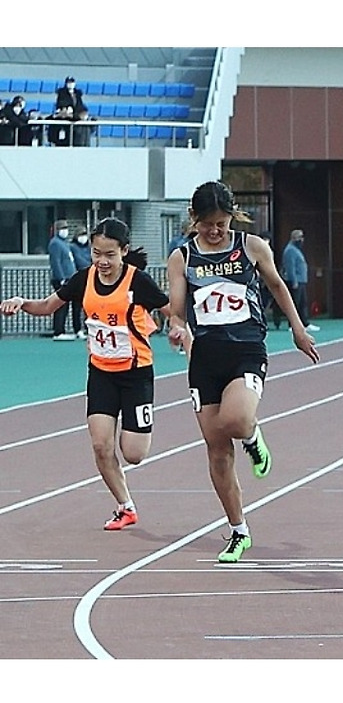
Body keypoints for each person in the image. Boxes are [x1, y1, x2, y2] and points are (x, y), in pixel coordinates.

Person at [165, 179, 320, 563]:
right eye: (207, 224)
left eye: (222, 223)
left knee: (235, 420)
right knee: (217, 451)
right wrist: (176, 327)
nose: (215, 231)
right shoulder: (182, 257)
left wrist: (298, 329)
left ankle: (252, 437)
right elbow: (177, 310)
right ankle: (238, 531)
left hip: (246, 350)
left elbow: (278, 287)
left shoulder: (251, 247)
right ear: (194, 218)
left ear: (232, 216)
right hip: (205, 359)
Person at [0, 217, 171, 531]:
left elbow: (171, 309)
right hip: (101, 372)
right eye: (96, 253)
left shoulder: (138, 281)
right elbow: (48, 306)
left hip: (136, 374)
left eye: (109, 255)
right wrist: (21, 302)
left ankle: (136, 431)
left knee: (134, 454)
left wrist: (181, 329)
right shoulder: (83, 279)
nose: (102, 261)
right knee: (101, 446)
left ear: (124, 251)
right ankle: (125, 506)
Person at [280, 228, 319, 333]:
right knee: (295, 304)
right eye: (300, 237)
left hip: (301, 280)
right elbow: (290, 267)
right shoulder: (290, 250)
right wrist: (294, 281)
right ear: (294, 238)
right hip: (296, 280)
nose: (302, 239)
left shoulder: (295, 250)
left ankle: (304, 323)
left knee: (302, 303)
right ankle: (292, 325)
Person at [48, 221, 77, 339]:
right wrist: (61, 278)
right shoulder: (55, 243)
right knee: (60, 305)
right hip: (62, 279)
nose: (65, 230)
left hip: (69, 278)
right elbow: (56, 262)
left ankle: (61, 330)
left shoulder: (64, 243)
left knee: (65, 305)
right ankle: (58, 331)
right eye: (63, 228)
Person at [68, 226, 92, 338]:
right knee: (77, 306)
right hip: (78, 278)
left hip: (90, 278)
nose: (83, 237)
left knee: (89, 305)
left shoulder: (89, 247)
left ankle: (89, 328)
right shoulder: (72, 247)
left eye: (84, 235)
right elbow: (77, 261)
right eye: (81, 235)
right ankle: (77, 329)